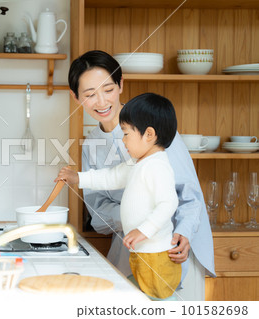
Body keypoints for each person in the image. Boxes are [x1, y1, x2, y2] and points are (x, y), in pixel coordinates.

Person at [66, 50, 215, 301]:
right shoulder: (91, 144)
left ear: (121, 84)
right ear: (76, 97)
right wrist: (138, 220)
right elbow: (99, 212)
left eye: (108, 89)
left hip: (175, 246)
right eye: (90, 95)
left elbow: (188, 195)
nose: (101, 102)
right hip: (133, 246)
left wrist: (184, 234)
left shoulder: (152, 128)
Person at [57, 92, 181, 299]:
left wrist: (144, 230)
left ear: (148, 134)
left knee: (158, 297)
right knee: (141, 293)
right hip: (141, 251)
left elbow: (168, 203)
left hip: (156, 253)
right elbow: (110, 177)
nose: (123, 140)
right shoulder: (138, 163)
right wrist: (77, 177)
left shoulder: (157, 166)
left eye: (126, 133)